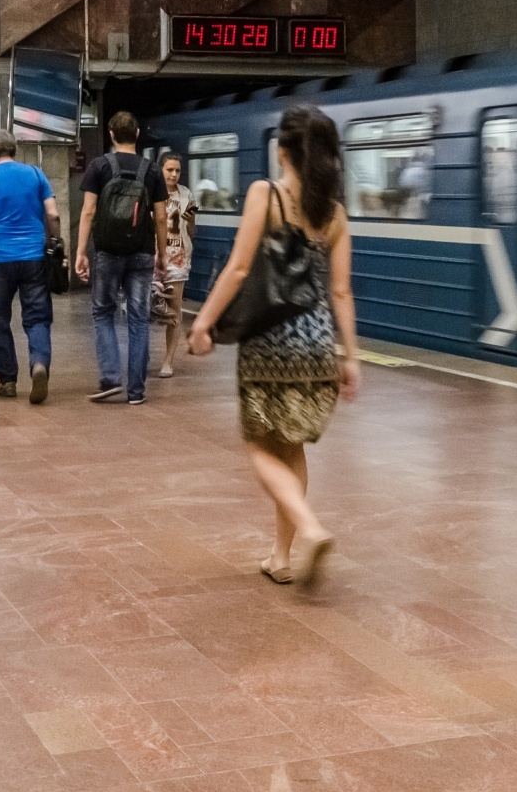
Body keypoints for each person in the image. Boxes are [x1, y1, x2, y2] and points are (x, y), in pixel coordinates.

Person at [188, 105, 359, 590]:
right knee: (293, 446)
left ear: (282, 151)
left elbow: (239, 269)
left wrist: (204, 323)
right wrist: (352, 356)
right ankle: (280, 557)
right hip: (319, 344)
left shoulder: (266, 195)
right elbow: (342, 292)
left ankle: (309, 526)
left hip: (270, 342)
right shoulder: (336, 214)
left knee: (260, 445)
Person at [75, 112, 168, 405]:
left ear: (112, 135)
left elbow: (89, 210)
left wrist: (80, 251)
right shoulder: (152, 171)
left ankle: (111, 377)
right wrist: (162, 255)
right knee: (139, 319)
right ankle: (137, 391)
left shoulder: (99, 166)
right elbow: (162, 217)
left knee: (103, 312)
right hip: (142, 253)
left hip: (108, 252)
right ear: (137, 133)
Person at [0, 132, 58, 404]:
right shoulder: (36, 174)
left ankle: (7, 380)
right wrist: (55, 240)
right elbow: (52, 214)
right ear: (15, 150)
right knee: (37, 316)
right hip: (33, 258)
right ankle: (39, 363)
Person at [156, 152, 196, 378]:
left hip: (178, 257)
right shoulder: (151, 192)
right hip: (152, 258)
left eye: (177, 170)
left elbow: (192, 227)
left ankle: (168, 361)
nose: (173, 174)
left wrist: (189, 230)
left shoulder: (187, 195)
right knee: (147, 307)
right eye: (169, 170)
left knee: (174, 309)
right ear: (161, 170)